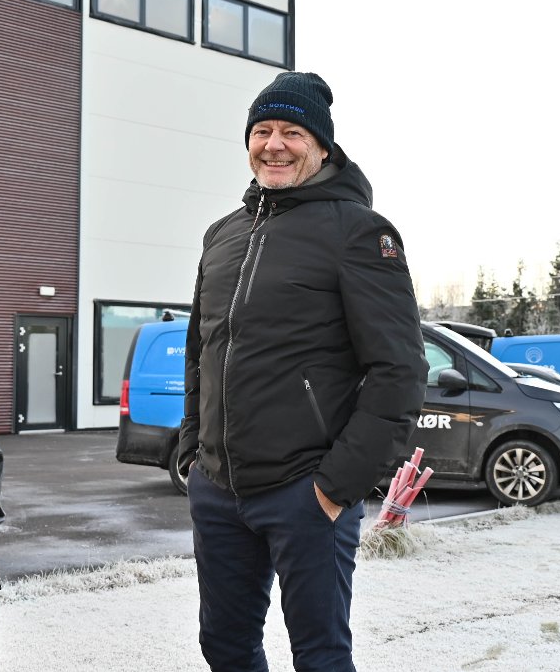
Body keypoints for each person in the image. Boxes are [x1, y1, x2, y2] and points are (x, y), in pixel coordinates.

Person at [176, 71, 427, 672]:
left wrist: (337, 485)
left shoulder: (359, 232)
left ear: (321, 146)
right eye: (261, 130)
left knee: (320, 657)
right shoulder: (221, 236)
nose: (274, 144)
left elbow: (398, 370)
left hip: (305, 492)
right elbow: (200, 351)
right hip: (219, 491)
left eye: (292, 132)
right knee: (224, 647)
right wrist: (192, 449)